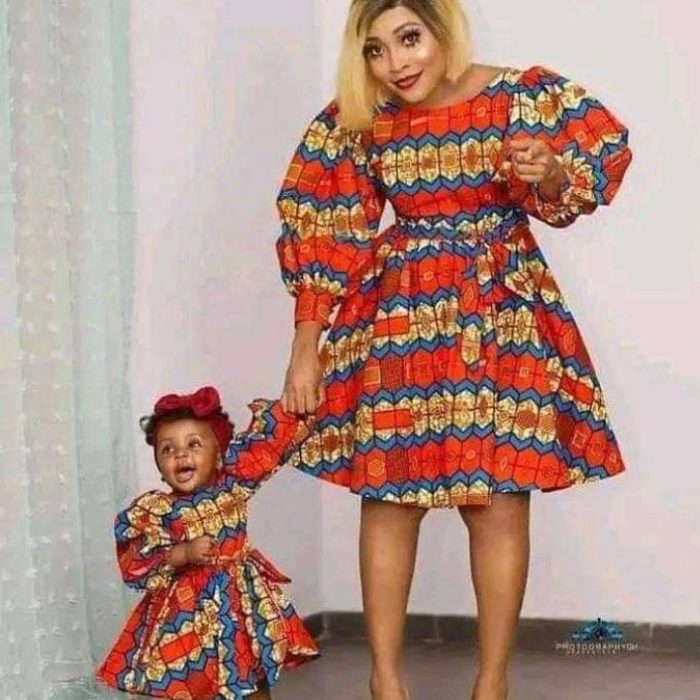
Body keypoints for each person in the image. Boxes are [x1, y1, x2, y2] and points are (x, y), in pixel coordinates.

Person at [274, 1, 632, 699]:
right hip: (400, 317)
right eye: (375, 49)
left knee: (496, 502)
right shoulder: (363, 118)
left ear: (442, 29)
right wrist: (306, 342)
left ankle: (491, 685)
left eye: (409, 38)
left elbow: (579, 186)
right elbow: (326, 227)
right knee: (388, 498)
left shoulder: (520, 97)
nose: (396, 63)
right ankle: (385, 683)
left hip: (500, 316)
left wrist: (550, 172)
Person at [96, 386, 319, 699]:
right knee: (190, 680)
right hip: (187, 613)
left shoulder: (233, 487)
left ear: (218, 455)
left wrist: (295, 404)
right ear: (159, 467)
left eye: (194, 444)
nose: (181, 454)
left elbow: (267, 448)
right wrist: (183, 553)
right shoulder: (160, 510)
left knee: (250, 673)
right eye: (167, 449)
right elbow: (137, 560)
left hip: (240, 605)